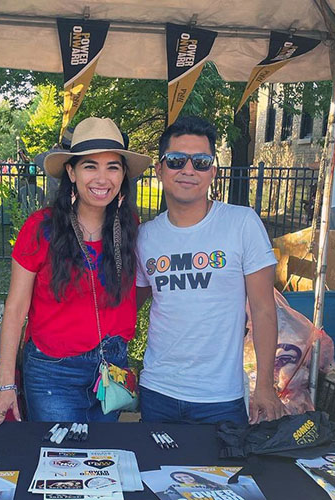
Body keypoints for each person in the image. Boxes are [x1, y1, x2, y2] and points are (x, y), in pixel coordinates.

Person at [0, 117, 151, 425]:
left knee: (100, 461)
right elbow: (15, 309)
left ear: (123, 174)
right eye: (89, 166)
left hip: (112, 368)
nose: (102, 178)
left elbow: (142, 287)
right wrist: (5, 383)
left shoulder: (130, 227)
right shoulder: (42, 228)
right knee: (60, 462)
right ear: (71, 172)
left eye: (113, 166)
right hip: (53, 372)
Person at [136, 116, 283, 425]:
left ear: (212, 173)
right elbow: (130, 304)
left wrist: (265, 387)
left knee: (224, 474)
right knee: (155, 474)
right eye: (176, 160)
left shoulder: (242, 223)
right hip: (157, 392)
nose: (188, 170)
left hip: (219, 398)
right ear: (160, 169)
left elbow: (263, 309)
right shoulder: (146, 236)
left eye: (201, 162)